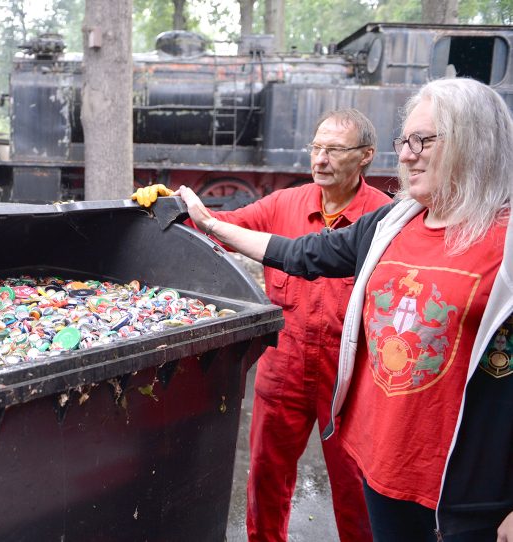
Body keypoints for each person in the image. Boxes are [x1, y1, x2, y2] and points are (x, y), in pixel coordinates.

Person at [176, 77, 513, 541]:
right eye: (405, 141)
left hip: (459, 483)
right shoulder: (392, 220)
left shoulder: (504, 240)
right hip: (375, 454)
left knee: (352, 508)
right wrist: (206, 220)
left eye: (423, 140)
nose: (408, 154)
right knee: (275, 478)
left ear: (474, 142)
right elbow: (302, 254)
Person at [135, 109, 389, 541]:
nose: (321, 159)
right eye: (316, 148)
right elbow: (223, 228)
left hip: (349, 380)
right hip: (283, 368)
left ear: (366, 156)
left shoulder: (383, 219)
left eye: (335, 150)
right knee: (266, 481)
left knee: (354, 489)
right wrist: (171, 207)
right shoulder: (285, 203)